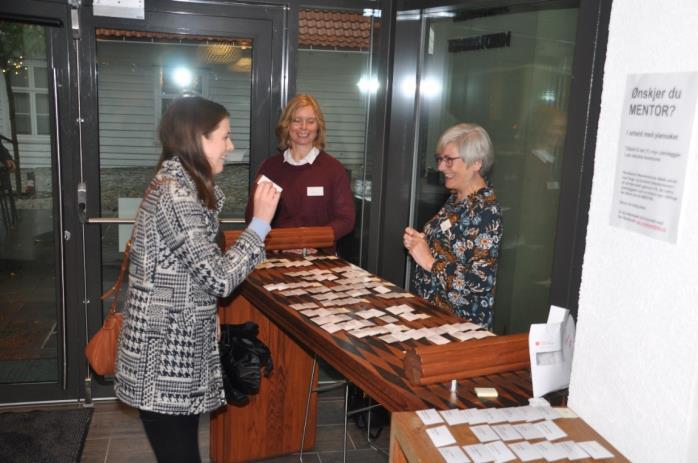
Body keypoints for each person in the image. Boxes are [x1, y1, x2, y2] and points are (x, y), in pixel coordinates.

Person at [114, 96, 280, 463]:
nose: (231, 146)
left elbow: (195, 275)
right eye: (225, 136)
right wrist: (260, 224)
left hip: (171, 351)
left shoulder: (180, 188)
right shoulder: (176, 195)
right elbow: (220, 278)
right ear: (198, 139)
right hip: (162, 361)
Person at [403, 123, 502, 330]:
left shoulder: (486, 212)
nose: (440, 167)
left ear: (476, 163)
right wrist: (421, 242)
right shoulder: (456, 200)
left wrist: (429, 261)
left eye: (449, 160)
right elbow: (450, 248)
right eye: (440, 159)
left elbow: (478, 284)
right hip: (434, 318)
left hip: (459, 329)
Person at [244, 93, 355, 249]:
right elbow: (253, 217)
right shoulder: (270, 168)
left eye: (310, 121)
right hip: (277, 256)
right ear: (287, 125)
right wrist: (284, 242)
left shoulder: (334, 169)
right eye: (297, 120)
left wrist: (310, 240)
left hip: (320, 260)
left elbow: (346, 220)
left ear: (318, 127)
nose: (304, 127)